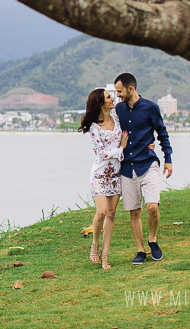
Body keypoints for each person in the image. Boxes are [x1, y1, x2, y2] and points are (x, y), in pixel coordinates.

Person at [114, 73, 173, 264]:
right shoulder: (118, 110)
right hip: (127, 168)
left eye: (120, 91)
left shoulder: (150, 108)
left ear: (131, 88)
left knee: (152, 207)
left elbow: (162, 133)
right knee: (134, 211)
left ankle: (152, 239)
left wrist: (168, 159)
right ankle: (140, 250)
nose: (118, 95)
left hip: (148, 164)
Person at [79, 88, 128, 270]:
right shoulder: (94, 127)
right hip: (99, 174)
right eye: (109, 97)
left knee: (112, 213)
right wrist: (120, 149)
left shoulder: (117, 118)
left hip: (116, 174)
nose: (112, 98)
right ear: (100, 103)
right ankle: (95, 244)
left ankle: (105, 253)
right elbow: (102, 153)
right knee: (101, 212)